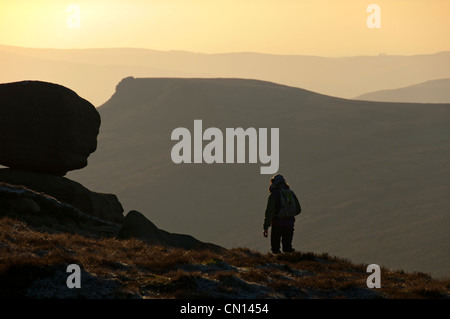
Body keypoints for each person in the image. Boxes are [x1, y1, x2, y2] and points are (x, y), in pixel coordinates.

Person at [263, 174, 301, 254]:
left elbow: (269, 213)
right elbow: (298, 210)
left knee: (275, 248)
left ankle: (277, 265)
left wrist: (265, 227)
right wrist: (288, 214)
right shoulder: (290, 193)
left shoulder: (274, 195)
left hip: (277, 224)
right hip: (289, 224)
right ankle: (291, 264)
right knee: (287, 248)